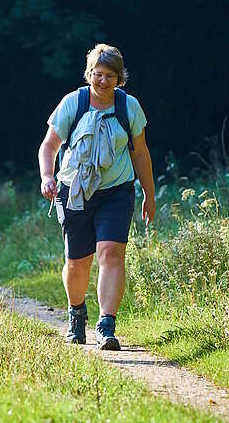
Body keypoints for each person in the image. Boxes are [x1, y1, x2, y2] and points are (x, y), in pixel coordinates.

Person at [38, 43, 154, 350]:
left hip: (117, 191)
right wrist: (47, 176)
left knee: (111, 253)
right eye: (98, 74)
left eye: (110, 75)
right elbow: (49, 146)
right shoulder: (73, 103)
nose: (103, 81)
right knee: (78, 263)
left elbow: (140, 154)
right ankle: (77, 314)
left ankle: (107, 325)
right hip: (75, 190)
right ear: (90, 73)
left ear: (120, 78)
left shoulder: (128, 107)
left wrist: (149, 195)